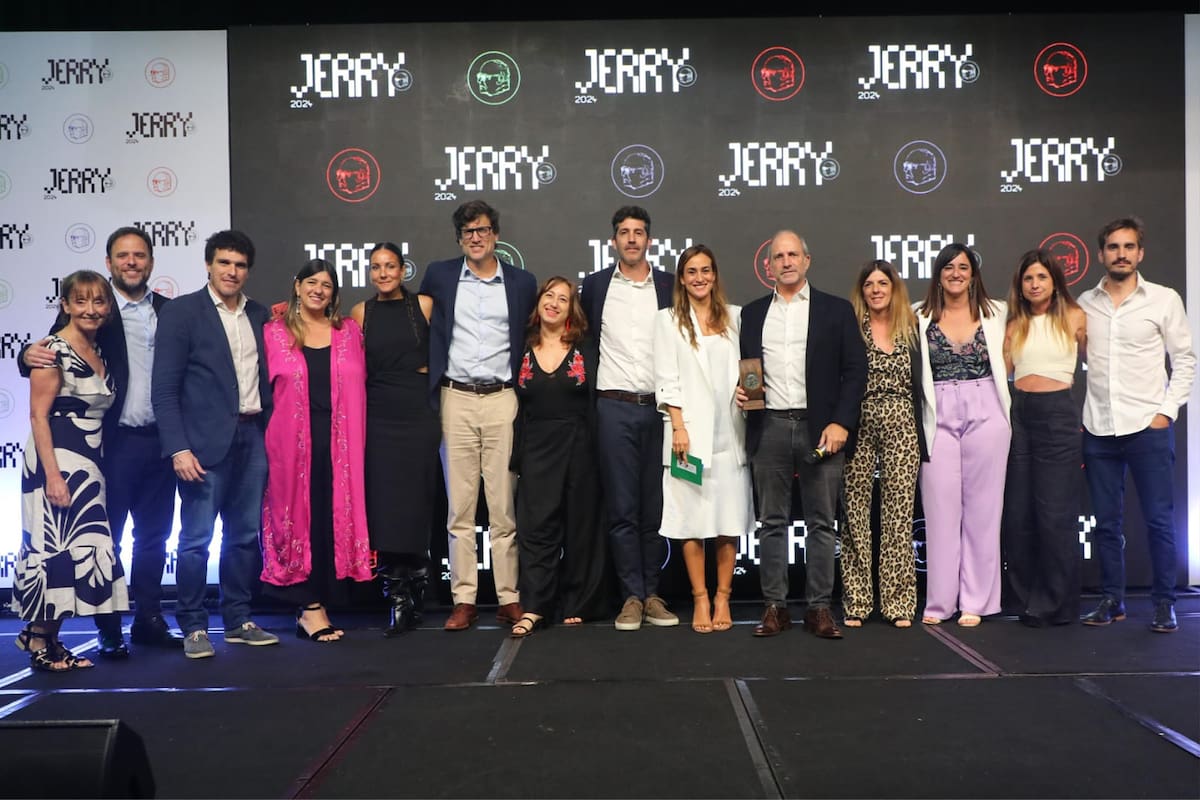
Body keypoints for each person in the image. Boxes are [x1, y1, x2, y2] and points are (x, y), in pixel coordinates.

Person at [19, 227, 181, 658]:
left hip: (161, 443)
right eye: (123, 255)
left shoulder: (170, 311)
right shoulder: (96, 308)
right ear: (110, 264)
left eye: (140, 255)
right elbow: (48, 352)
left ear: (151, 262)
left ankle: (149, 618)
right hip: (109, 446)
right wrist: (22, 356)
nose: (132, 262)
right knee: (104, 539)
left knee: (154, 537)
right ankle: (108, 629)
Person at [152, 230, 279, 659]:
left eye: (240, 265)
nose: (232, 271)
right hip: (201, 445)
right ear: (209, 264)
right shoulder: (182, 313)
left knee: (244, 536)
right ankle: (192, 625)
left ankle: (239, 619)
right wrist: (178, 448)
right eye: (224, 262)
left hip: (252, 436)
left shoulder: (260, 315)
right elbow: (164, 390)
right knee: (195, 540)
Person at [737, 230, 867, 639]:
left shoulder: (836, 310)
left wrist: (841, 422)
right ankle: (774, 607)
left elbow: (855, 371)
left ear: (807, 261)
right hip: (769, 425)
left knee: (821, 524)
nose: (787, 262)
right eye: (779, 256)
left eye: (794, 254)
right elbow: (746, 369)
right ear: (769, 265)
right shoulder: (753, 314)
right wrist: (741, 392)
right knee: (771, 522)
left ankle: (819, 609)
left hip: (820, 429)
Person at [419, 200, 538, 631]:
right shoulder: (439, 276)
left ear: (496, 235)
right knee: (460, 507)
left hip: (504, 399)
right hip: (456, 398)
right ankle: (464, 599)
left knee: (504, 505)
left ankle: (509, 597)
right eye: (468, 231)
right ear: (459, 238)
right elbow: (414, 323)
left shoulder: (523, 282)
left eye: (483, 230)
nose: (475, 237)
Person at [1077, 217, 1195, 633]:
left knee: (1159, 521)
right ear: (1101, 253)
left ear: (1140, 253)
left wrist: (1166, 412)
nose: (1121, 254)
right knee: (1106, 523)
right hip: (1099, 429)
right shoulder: (1083, 303)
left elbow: (1185, 360)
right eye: (1113, 247)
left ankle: (1165, 604)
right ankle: (1113, 600)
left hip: (1148, 426)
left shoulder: (1163, 299)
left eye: (1129, 247)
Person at [14, 270, 128, 671]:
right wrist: (53, 475)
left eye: (98, 301)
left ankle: (51, 639)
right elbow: (38, 417)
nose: (91, 309)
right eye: (81, 301)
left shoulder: (100, 349)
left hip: (89, 463)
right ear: (65, 305)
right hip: (57, 461)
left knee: (76, 554)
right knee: (52, 550)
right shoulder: (51, 351)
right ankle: (37, 638)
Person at [261, 259, 372, 642]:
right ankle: (308, 607)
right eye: (311, 282)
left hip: (342, 441)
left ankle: (323, 600)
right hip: (290, 442)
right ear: (296, 286)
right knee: (297, 518)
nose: (318, 290)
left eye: (326, 285)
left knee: (330, 518)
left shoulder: (350, 332)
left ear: (334, 293)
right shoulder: (274, 332)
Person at [580, 206, 679, 631]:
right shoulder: (597, 286)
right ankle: (630, 598)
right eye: (624, 232)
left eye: (639, 232)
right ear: (614, 241)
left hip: (658, 409)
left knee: (653, 510)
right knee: (621, 509)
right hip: (613, 408)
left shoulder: (670, 287)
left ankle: (653, 594)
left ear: (649, 241)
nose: (632, 239)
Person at [654, 245, 754, 634]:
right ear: (681, 278)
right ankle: (699, 598)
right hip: (688, 438)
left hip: (731, 433)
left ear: (715, 275)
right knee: (691, 521)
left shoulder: (736, 318)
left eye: (706, 270)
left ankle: (723, 597)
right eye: (691, 271)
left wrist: (748, 393)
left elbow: (748, 372)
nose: (699, 278)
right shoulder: (667, 321)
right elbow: (666, 377)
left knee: (728, 519)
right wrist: (678, 426)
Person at [915, 243, 1011, 627]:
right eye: (948, 267)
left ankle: (977, 602)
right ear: (938, 274)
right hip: (936, 412)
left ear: (974, 274)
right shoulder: (917, 316)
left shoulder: (998, 312)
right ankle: (939, 603)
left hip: (986, 407)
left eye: (964, 267)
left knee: (984, 512)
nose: (956, 273)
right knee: (939, 512)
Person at [349, 242, 441, 637]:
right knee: (385, 509)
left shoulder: (423, 305)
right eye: (375, 268)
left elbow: (441, 353)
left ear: (403, 269)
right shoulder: (360, 312)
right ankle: (397, 600)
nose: (383, 273)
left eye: (390, 266)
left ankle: (419, 597)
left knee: (417, 505)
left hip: (419, 414)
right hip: (378, 416)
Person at [508, 276, 609, 636]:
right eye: (548, 296)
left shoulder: (586, 347)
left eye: (562, 299)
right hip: (536, 446)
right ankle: (535, 607)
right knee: (536, 530)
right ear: (538, 304)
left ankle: (579, 602)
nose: (553, 303)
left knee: (581, 527)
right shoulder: (521, 346)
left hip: (580, 445)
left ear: (571, 309)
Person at [1001, 250, 1087, 627]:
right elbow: (999, 375)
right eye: (1028, 279)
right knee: (1018, 513)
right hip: (1019, 413)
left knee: (1054, 514)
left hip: (1058, 415)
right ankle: (1023, 601)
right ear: (1020, 286)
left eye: (1041, 277)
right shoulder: (1013, 323)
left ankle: (1057, 603)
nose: (1034, 284)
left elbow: (1104, 367)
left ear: (1055, 281)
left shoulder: (1075, 317)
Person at [841, 260, 927, 629]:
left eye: (883, 283)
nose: (876, 290)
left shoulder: (913, 327)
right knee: (855, 513)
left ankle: (898, 603)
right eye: (869, 284)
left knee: (897, 515)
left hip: (903, 424)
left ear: (894, 289)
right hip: (858, 421)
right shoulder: (851, 329)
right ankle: (857, 601)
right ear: (861, 291)